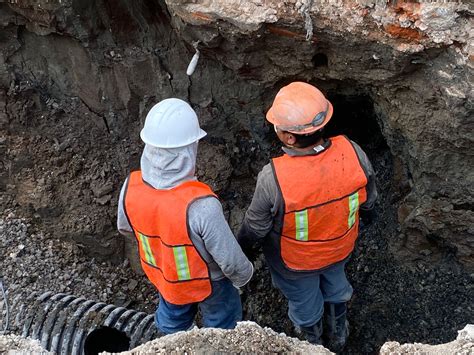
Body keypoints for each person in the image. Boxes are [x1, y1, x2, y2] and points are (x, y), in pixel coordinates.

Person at [237, 82, 377, 352]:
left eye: (277, 126)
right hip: (340, 248)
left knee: (305, 303)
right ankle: (338, 335)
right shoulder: (352, 151)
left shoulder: (273, 177)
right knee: (336, 286)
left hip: (296, 262)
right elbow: (369, 201)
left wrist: (244, 250)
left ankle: (311, 343)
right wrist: (367, 219)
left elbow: (255, 228)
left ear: (289, 138)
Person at [117, 98, 253, 335]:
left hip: (164, 275)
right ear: (191, 148)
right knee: (222, 326)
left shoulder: (131, 186)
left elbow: (126, 229)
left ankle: (172, 344)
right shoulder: (201, 205)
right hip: (210, 281)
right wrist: (244, 277)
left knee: (172, 321)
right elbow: (229, 260)